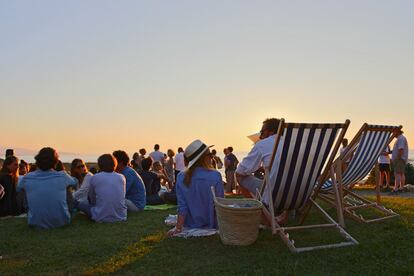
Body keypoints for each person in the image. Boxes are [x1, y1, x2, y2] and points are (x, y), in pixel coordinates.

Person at [235, 118, 288, 224]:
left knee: (239, 176)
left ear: (272, 131)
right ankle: (285, 214)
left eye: (262, 131)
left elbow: (241, 170)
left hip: (275, 192)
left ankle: (265, 218)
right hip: (298, 194)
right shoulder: (295, 144)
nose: (260, 135)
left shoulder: (263, 144)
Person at [168, 139, 224, 236]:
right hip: (211, 223)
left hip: (189, 223)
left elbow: (182, 206)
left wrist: (178, 228)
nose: (212, 157)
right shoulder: (216, 175)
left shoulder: (181, 176)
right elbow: (220, 204)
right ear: (204, 158)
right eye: (210, 155)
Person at [18, 147, 78, 229]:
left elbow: (18, 188)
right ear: (55, 162)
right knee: (67, 187)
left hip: (35, 223)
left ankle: (35, 214)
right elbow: (75, 182)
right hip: (62, 221)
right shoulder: (62, 176)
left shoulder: (27, 177)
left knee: (24, 189)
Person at [78, 154, 127, 222]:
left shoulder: (95, 177)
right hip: (121, 216)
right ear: (114, 164)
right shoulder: (122, 177)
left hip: (100, 216)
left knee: (82, 203)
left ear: (100, 165)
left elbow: (92, 199)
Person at [391, 129, 409, 193]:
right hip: (401, 158)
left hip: (400, 159)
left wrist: (397, 158)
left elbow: (401, 149)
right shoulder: (401, 138)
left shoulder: (401, 138)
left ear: (397, 132)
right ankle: (401, 188)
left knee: (397, 173)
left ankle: (396, 188)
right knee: (401, 173)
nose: (392, 134)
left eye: (393, 132)